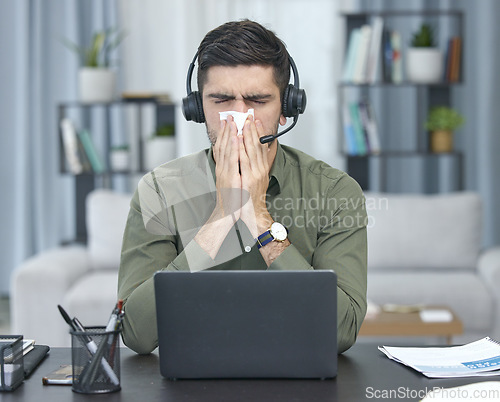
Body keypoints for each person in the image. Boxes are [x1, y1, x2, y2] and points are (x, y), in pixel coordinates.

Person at [118, 19, 367, 355]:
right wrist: (222, 217)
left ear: (286, 108)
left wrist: (258, 218)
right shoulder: (159, 190)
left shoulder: (335, 192)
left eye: (257, 100)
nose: (239, 119)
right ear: (197, 109)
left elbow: (341, 332)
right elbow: (137, 333)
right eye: (221, 100)